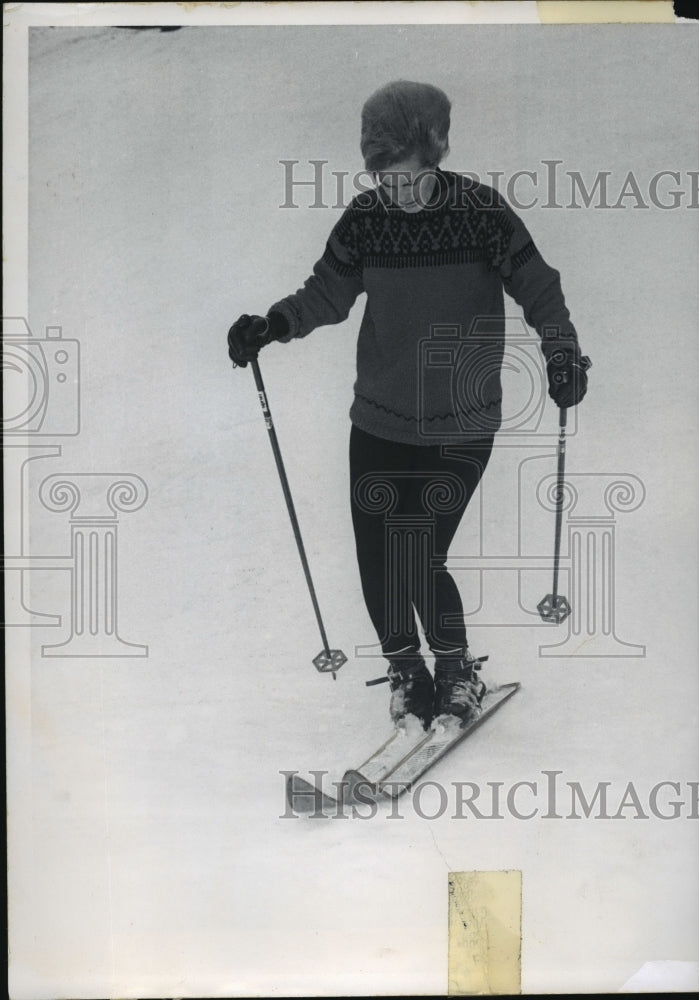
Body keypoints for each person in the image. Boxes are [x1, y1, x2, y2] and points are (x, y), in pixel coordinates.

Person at [228, 80, 590, 732]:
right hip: (380, 416)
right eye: (382, 179)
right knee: (377, 556)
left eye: (406, 178)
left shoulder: (482, 213)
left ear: (435, 155)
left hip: (462, 418)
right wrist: (273, 324)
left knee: (416, 550)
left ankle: (455, 672)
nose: (394, 192)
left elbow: (539, 288)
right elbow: (326, 294)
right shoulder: (365, 224)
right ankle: (406, 671)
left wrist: (561, 353)